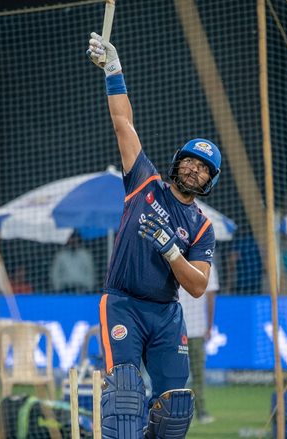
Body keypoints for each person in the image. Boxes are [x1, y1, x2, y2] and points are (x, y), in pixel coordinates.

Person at [87, 33, 220, 439]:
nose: (195, 169)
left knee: (175, 409)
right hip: (123, 304)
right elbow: (123, 122)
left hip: (166, 314)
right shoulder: (145, 181)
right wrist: (113, 70)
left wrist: (171, 250)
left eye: (204, 168)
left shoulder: (202, 227)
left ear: (210, 181)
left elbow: (197, 286)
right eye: (191, 161)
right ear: (178, 162)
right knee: (125, 399)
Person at [177, 259, 218, 425]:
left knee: (177, 373)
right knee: (197, 374)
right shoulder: (207, 263)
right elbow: (211, 296)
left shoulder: (174, 257)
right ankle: (200, 412)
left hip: (177, 326)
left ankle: (178, 412)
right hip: (192, 327)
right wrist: (209, 326)